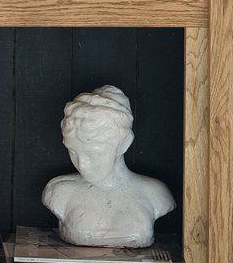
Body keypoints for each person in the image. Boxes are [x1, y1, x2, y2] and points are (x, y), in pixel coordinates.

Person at [42, 85, 175, 247]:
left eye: (93, 154)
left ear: (124, 144)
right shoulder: (58, 192)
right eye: (73, 151)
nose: (82, 163)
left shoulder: (156, 194)